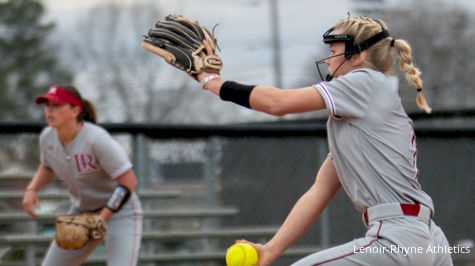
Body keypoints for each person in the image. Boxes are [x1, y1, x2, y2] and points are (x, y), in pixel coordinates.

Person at [197, 16, 453, 266]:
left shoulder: (364, 81)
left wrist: (213, 82)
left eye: (334, 49)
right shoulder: (361, 119)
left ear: (359, 54)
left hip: (398, 238)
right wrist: (271, 249)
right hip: (427, 238)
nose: (329, 58)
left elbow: (278, 103)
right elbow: (320, 191)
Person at [22, 85, 143, 266]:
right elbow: (47, 167)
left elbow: (129, 182)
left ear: (75, 111)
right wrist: (32, 189)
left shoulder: (97, 139)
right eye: (47, 105)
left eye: (57, 105)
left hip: (120, 214)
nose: (49, 110)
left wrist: (102, 219)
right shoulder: (47, 137)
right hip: (82, 213)